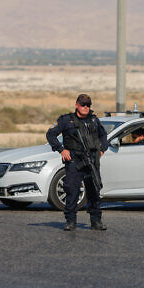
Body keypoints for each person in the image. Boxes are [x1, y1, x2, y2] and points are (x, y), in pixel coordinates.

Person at [46, 94, 108, 231]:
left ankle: (96, 221)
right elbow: (50, 135)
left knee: (94, 191)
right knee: (72, 190)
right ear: (76, 105)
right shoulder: (66, 120)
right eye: (83, 104)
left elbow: (103, 135)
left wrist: (102, 150)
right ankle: (71, 221)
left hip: (91, 159)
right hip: (74, 159)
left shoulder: (94, 120)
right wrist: (61, 150)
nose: (86, 107)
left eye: (88, 105)